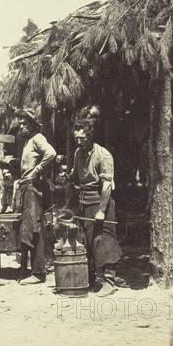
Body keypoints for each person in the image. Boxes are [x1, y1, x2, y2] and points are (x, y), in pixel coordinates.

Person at [68, 118, 122, 297]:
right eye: (76, 138)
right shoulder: (78, 153)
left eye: (82, 138)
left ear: (90, 136)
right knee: (87, 241)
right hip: (85, 202)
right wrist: (65, 177)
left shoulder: (103, 155)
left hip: (101, 201)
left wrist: (101, 210)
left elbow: (107, 185)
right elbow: (75, 176)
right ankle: (91, 280)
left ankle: (109, 281)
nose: (79, 141)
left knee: (105, 239)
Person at [14, 108, 56, 285]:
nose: (22, 125)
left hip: (34, 188)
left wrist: (38, 170)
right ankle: (28, 270)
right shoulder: (27, 141)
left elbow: (51, 153)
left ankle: (39, 273)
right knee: (27, 228)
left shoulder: (38, 138)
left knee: (35, 228)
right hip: (26, 187)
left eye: (25, 122)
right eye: (20, 122)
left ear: (32, 124)